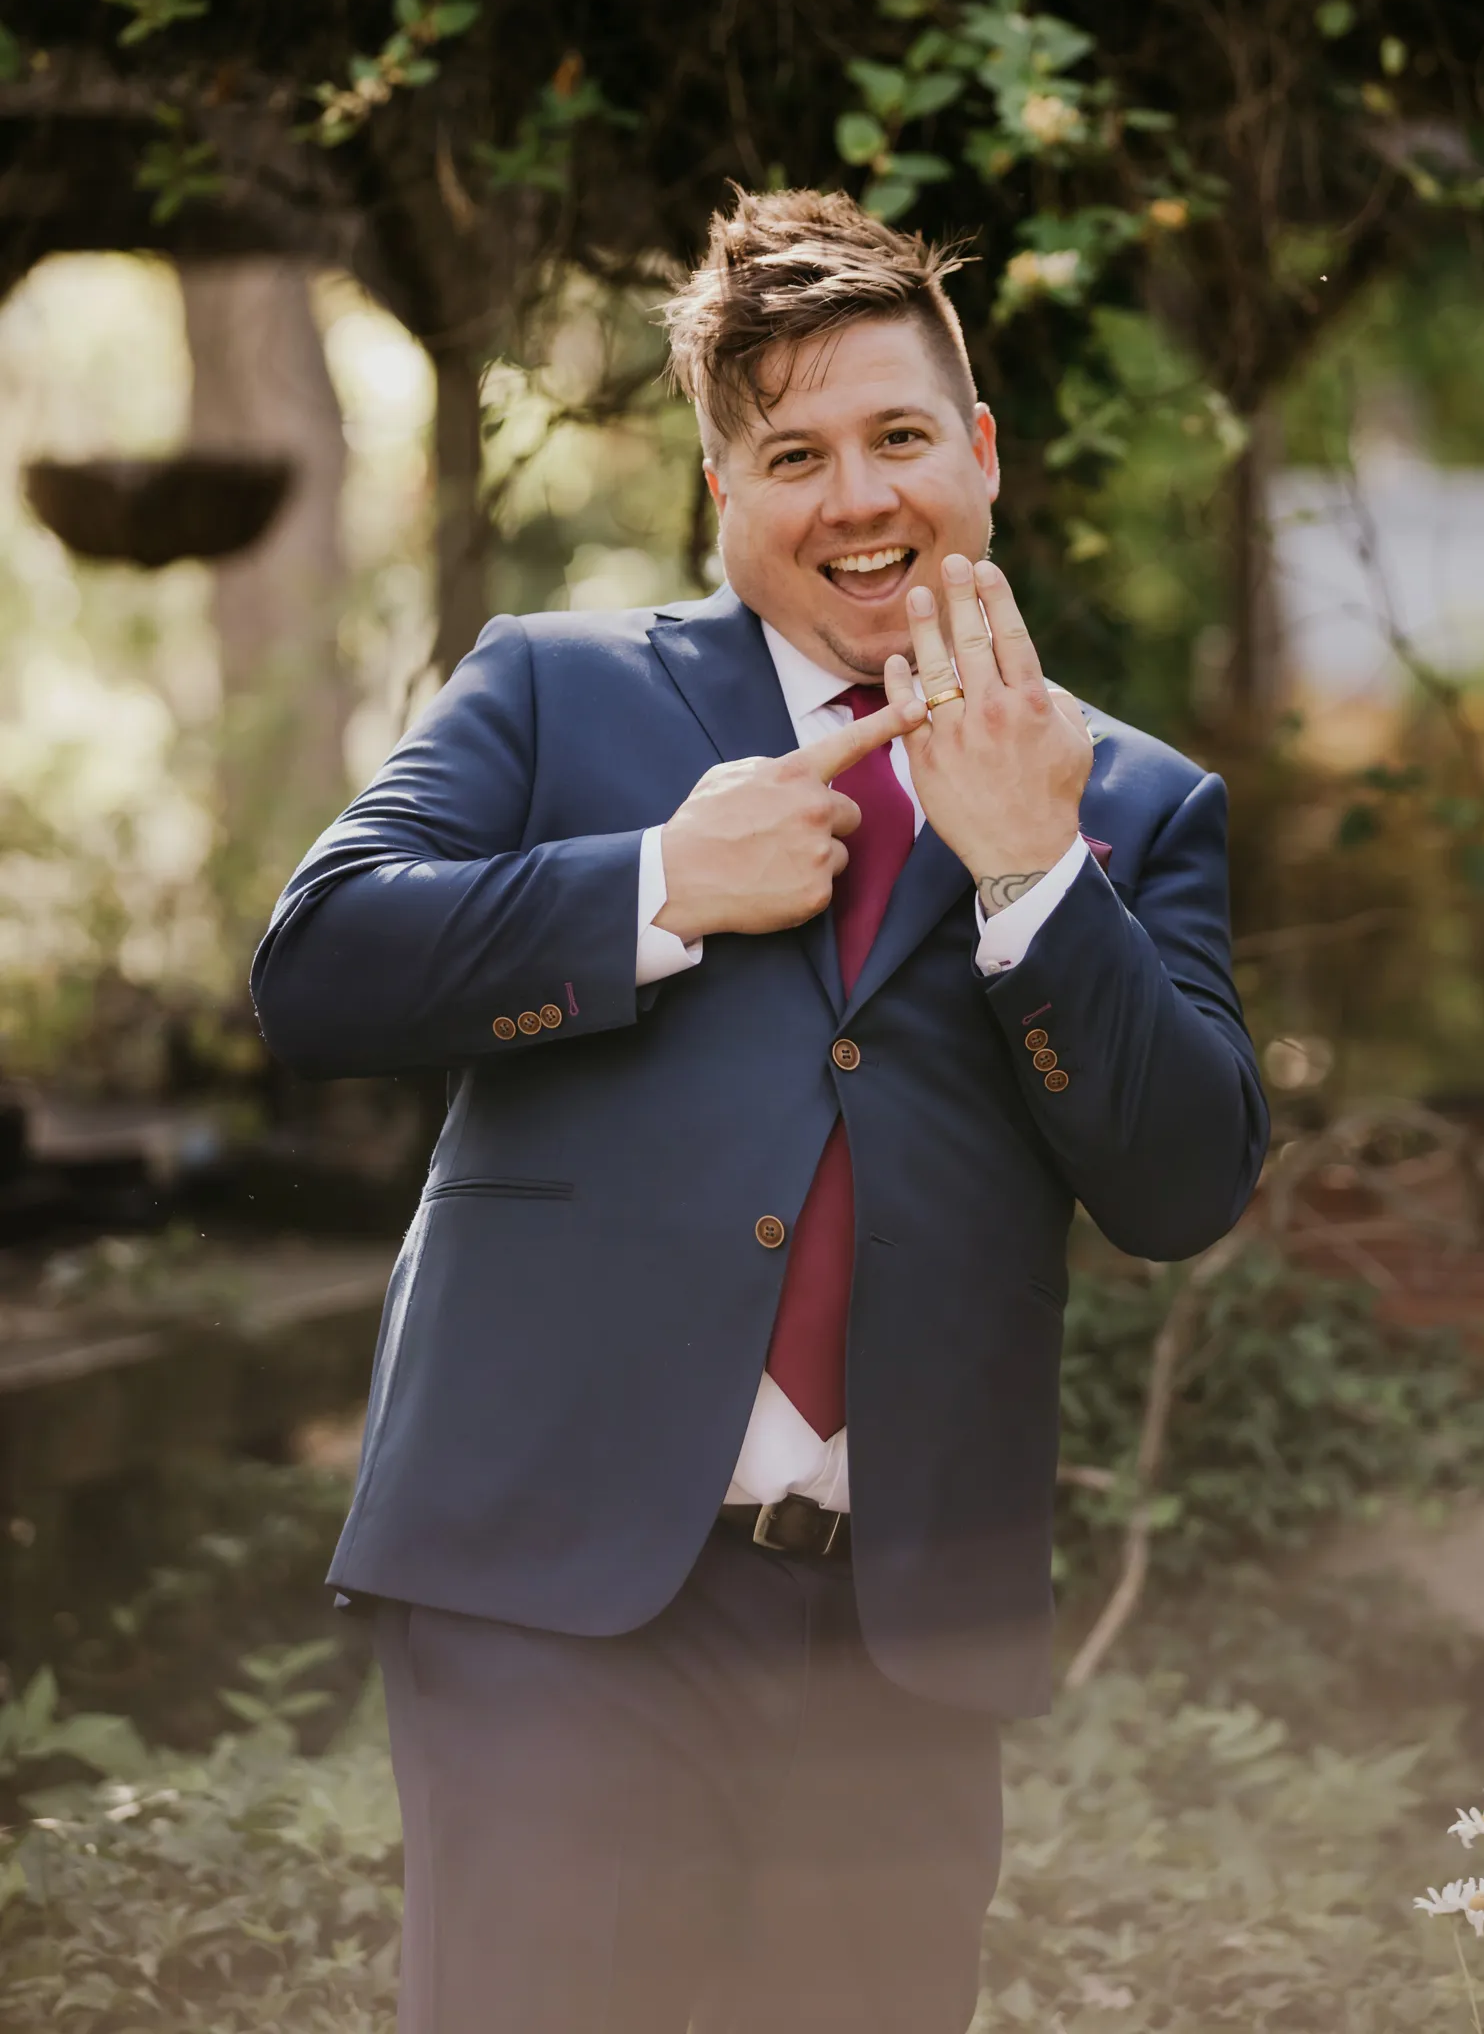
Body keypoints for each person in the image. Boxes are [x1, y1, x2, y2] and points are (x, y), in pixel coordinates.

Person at [251, 187, 1268, 2034]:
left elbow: (1186, 1181)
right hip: (552, 1599)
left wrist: (1040, 875)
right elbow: (314, 966)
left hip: (901, 1639)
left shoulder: (1136, 798)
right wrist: (650, 881)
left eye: (896, 436)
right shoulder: (554, 691)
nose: (858, 497)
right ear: (724, 492)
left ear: (978, 451)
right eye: (793, 453)